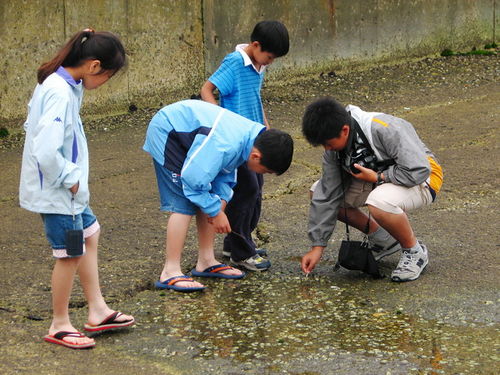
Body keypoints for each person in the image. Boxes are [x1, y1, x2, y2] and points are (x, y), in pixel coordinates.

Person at [19, 29, 134, 350]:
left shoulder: (63, 83)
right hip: (59, 193)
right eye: (109, 75)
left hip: (68, 191)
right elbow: (46, 150)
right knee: (69, 253)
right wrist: (70, 178)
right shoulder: (59, 91)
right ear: (94, 66)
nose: (105, 82)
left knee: (90, 233)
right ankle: (59, 324)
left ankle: (97, 310)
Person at [143, 99, 293, 292]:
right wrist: (215, 212)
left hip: (190, 136)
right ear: (256, 157)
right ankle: (170, 271)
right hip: (168, 133)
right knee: (183, 204)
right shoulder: (225, 142)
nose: (263, 175)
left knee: (210, 198)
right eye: (265, 171)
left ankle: (206, 261)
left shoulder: (248, 137)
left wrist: (219, 204)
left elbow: (225, 172)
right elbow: (192, 181)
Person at [300, 97, 443, 282]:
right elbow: (328, 194)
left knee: (379, 201)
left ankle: (414, 251)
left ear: (344, 130)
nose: (327, 149)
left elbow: (419, 169)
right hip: (379, 178)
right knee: (317, 191)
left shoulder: (384, 128)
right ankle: (384, 240)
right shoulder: (333, 149)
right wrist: (318, 246)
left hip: (423, 177)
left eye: (328, 143)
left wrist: (379, 177)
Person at [200, 20, 289, 271]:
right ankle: (241, 252)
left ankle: (238, 242)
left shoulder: (257, 65)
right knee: (246, 190)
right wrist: (218, 120)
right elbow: (207, 89)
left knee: (255, 191)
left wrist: (266, 126)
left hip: (254, 136)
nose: (269, 62)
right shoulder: (235, 62)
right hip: (237, 143)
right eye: (269, 57)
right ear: (256, 45)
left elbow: (255, 99)